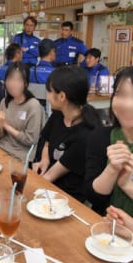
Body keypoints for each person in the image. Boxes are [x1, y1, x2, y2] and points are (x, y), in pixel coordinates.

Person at [32, 65, 100, 202]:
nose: (48, 96)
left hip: (66, 197)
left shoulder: (86, 134)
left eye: (49, 92)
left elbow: (51, 175)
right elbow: (46, 140)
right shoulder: (58, 114)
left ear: (62, 96)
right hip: (48, 184)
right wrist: (45, 160)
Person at [86, 67, 133, 215]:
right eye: (121, 94)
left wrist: (126, 185)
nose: (128, 104)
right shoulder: (100, 137)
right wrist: (112, 169)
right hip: (103, 230)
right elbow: (93, 198)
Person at [0, 62, 45, 161]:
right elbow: (0, 136)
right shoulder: (4, 102)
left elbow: (30, 140)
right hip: (0, 150)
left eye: (18, 80)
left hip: (20, 157)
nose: (13, 84)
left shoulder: (33, 105)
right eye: (10, 79)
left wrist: (5, 125)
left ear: (25, 83)